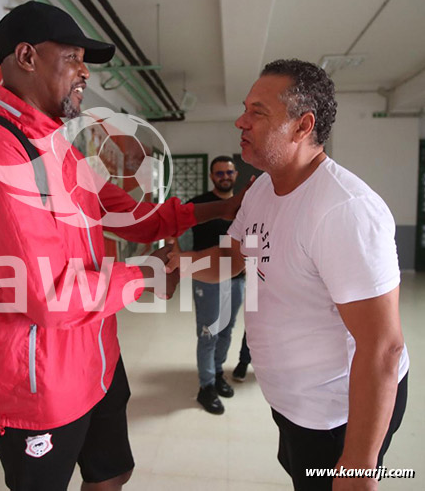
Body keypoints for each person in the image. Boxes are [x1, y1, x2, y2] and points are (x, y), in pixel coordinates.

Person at [0, 1, 247, 491]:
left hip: (95, 357)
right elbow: (49, 295)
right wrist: (147, 275)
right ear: (26, 57)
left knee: (113, 472)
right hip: (38, 382)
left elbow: (133, 215)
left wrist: (218, 209)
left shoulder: (58, 148)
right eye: (73, 57)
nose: (85, 72)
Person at [167, 59, 408, 490]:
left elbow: (383, 347)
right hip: (294, 406)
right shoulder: (262, 188)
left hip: (338, 416)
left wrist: (358, 466)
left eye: (257, 112)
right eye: (245, 108)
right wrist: (181, 263)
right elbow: (234, 259)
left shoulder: (343, 210)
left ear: (302, 126)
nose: (240, 121)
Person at [187, 156, 245, 414]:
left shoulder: (244, 206)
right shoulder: (199, 204)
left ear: (235, 175)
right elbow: (172, 230)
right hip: (207, 279)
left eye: (228, 172)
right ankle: (206, 386)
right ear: (212, 177)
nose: (224, 177)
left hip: (236, 278)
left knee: (227, 329)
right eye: (219, 173)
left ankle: (218, 372)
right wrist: (178, 260)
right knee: (209, 331)